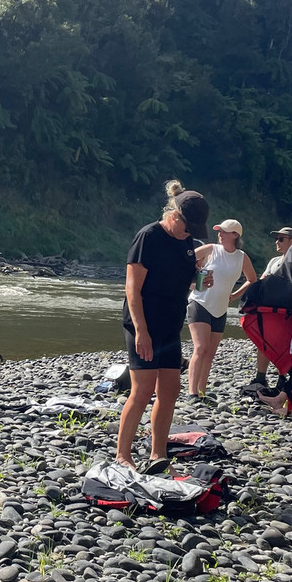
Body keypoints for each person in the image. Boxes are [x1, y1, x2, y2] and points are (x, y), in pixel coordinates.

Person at [115, 180, 210, 474]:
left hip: (170, 325)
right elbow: (132, 289)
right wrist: (142, 332)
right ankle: (123, 455)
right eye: (188, 228)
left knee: (169, 391)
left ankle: (158, 453)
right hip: (143, 322)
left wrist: (199, 282)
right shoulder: (148, 236)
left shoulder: (185, 244)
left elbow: (179, 280)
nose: (190, 235)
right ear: (174, 215)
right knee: (142, 391)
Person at [186, 219, 257, 401]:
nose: (220, 234)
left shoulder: (242, 257)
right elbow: (185, 259)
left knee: (210, 353)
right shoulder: (211, 249)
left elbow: (252, 279)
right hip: (200, 302)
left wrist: (234, 295)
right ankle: (192, 393)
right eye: (219, 231)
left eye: (224, 231)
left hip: (220, 309)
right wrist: (194, 271)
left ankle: (202, 391)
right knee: (201, 348)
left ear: (235, 235)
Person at [242, 226, 292, 392]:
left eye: (281, 239)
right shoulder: (274, 261)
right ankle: (261, 376)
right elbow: (263, 281)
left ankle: (284, 377)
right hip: (268, 311)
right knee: (263, 342)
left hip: (286, 313)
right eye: (276, 238)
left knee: (286, 345)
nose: (277, 242)